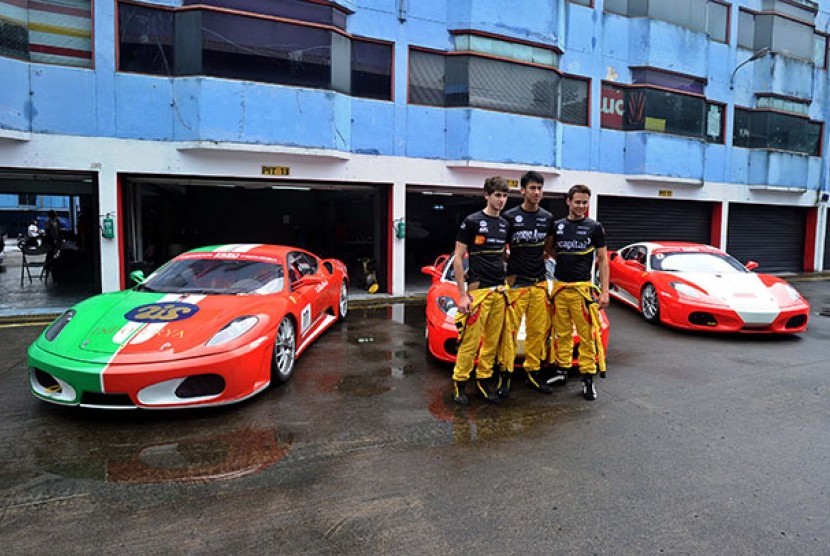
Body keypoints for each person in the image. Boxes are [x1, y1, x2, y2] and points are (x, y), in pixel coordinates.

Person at [450, 176, 510, 405]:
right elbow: (458, 258)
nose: (501, 200)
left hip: (499, 291)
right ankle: (460, 382)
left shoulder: (505, 224)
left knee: (492, 341)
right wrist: (462, 295)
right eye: (497, 195)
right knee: (470, 341)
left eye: (504, 196)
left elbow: (502, 254)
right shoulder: (472, 221)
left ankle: (484, 381)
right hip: (477, 291)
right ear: (487, 195)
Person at [546, 184, 609, 401]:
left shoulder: (595, 227)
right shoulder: (558, 226)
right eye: (577, 202)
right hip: (560, 288)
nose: (581, 206)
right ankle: (561, 371)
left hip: (583, 290)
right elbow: (549, 249)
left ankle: (587, 379)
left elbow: (603, 259)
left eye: (585, 202)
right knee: (561, 333)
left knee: (587, 336)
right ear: (568, 202)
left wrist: (604, 291)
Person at [496, 171, 555, 398]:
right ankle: (505, 377)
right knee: (509, 333)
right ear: (522, 191)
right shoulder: (510, 217)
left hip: (539, 283)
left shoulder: (547, 218)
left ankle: (532, 373)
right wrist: (507, 267)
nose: (536, 192)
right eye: (532, 188)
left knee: (537, 333)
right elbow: (501, 247)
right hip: (516, 284)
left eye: (540, 188)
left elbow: (549, 248)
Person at [43, 210, 63, 277]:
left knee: (52, 254)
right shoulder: (49, 222)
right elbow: (49, 232)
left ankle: (51, 266)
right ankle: (49, 267)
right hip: (51, 240)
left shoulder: (54, 221)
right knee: (50, 255)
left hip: (54, 240)